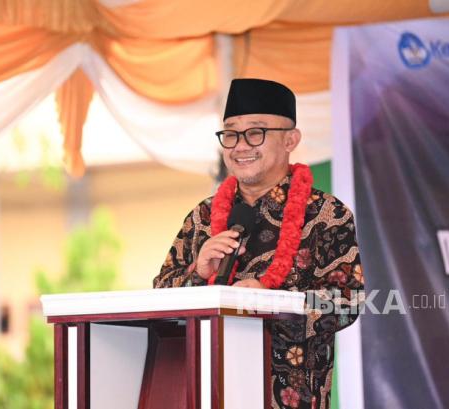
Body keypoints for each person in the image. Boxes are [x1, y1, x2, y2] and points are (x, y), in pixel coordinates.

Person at [153, 78, 364, 409]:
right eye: (231, 134)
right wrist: (198, 272)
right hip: (209, 394)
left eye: (255, 132)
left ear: (290, 140)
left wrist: (270, 303)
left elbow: (348, 301)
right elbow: (160, 297)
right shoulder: (203, 216)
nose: (240, 146)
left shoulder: (327, 214)